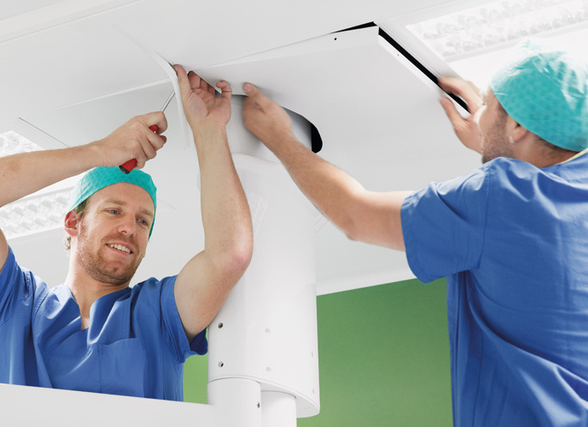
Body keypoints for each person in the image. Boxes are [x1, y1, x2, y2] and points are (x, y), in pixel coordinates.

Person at [241, 39, 588, 426]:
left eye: (489, 104)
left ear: (520, 127)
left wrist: (280, 139)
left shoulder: (500, 196)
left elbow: (356, 215)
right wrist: (497, 137)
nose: (482, 112)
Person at [0, 66, 253, 401]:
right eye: (114, 211)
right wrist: (99, 151)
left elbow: (230, 255)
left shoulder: (159, 315)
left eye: (143, 221)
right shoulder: (11, 306)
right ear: (73, 223)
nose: (129, 228)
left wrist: (209, 131)